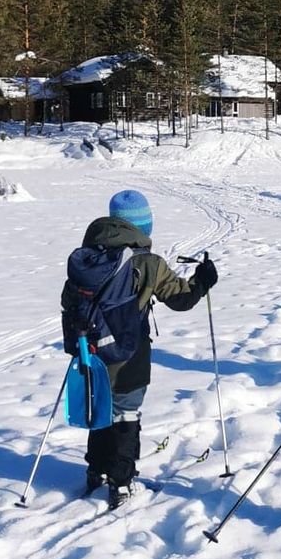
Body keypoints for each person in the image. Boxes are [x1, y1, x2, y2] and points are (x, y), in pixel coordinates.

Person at [62, 188, 216, 506]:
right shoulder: (147, 262)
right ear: (143, 227)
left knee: (101, 408)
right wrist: (203, 280)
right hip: (129, 353)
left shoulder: (88, 256)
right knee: (125, 414)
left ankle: (96, 470)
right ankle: (120, 481)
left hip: (89, 350)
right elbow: (181, 299)